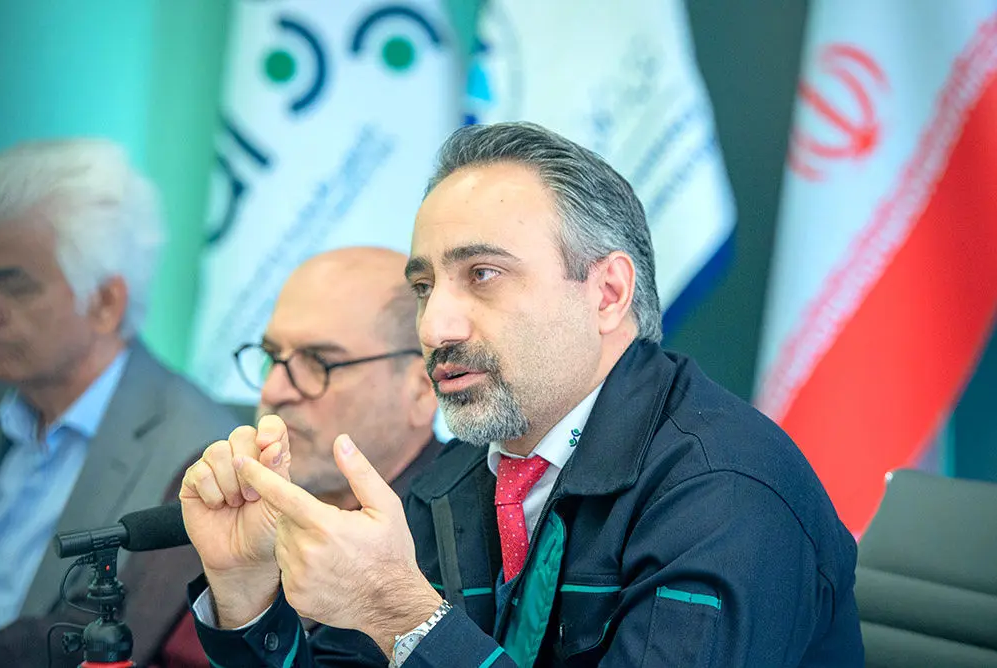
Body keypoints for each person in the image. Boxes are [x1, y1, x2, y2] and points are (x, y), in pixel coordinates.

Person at [182, 122, 865, 667]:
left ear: (607, 293)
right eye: (424, 287)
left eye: (482, 274)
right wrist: (244, 594)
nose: (434, 327)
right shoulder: (460, 477)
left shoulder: (725, 491)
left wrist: (405, 616)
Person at [115, 247, 441, 667]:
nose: (273, 391)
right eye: (272, 356)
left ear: (421, 389)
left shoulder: (455, 538)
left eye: (319, 363)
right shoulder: (218, 483)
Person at [0, 139, 238, 654]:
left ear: (105, 302)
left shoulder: (201, 457)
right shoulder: (13, 404)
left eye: (14, 286)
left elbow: (105, 643)